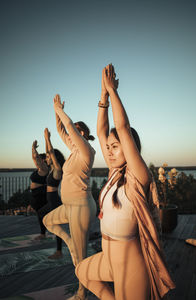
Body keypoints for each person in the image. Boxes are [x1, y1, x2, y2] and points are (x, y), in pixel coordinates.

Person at [75, 64, 176, 300]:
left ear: (130, 149)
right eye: (108, 148)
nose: (109, 152)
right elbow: (102, 132)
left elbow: (122, 127)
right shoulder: (113, 173)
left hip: (132, 264)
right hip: (109, 257)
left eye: (115, 147)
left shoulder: (138, 176)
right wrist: (102, 98)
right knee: (82, 271)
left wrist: (112, 91)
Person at [43, 95, 97, 299]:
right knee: (48, 220)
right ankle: (70, 242)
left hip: (81, 207)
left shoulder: (85, 150)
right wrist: (55, 110)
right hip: (70, 206)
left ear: (81, 133)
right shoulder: (74, 151)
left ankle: (82, 292)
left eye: (75, 130)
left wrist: (60, 111)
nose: (70, 133)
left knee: (81, 258)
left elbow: (68, 127)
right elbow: (61, 129)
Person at [37, 128, 65, 259]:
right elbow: (50, 152)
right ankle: (43, 234)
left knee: (55, 224)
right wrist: (45, 139)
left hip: (54, 200)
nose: (46, 158)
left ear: (54, 159)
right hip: (51, 200)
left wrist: (48, 139)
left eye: (48, 157)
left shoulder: (58, 170)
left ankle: (59, 251)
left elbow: (51, 153)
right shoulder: (52, 169)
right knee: (41, 212)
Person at [30, 140, 48, 240]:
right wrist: (33, 149)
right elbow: (34, 158)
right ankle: (43, 233)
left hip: (41, 194)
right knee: (40, 214)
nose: (37, 160)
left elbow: (36, 158)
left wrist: (33, 148)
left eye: (40, 159)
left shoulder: (44, 169)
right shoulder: (39, 169)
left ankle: (43, 234)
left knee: (42, 214)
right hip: (36, 194)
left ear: (43, 160)